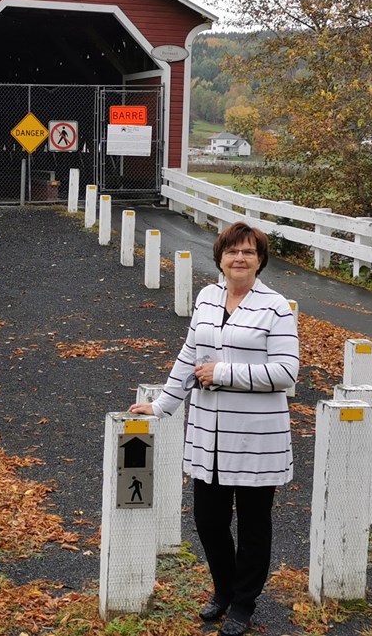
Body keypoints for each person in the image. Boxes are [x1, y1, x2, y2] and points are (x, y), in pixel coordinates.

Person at [128, 221, 299, 636]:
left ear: (260, 261)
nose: (240, 258)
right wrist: (162, 405)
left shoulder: (276, 307)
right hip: (209, 435)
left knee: (254, 524)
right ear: (220, 258)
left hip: (256, 436)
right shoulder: (207, 297)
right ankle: (223, 589)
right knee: (208, 520)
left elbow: (286, 371)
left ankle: (243, 602)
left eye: (249, 252)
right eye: (232, 252)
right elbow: (189, 356)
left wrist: (224, 373)